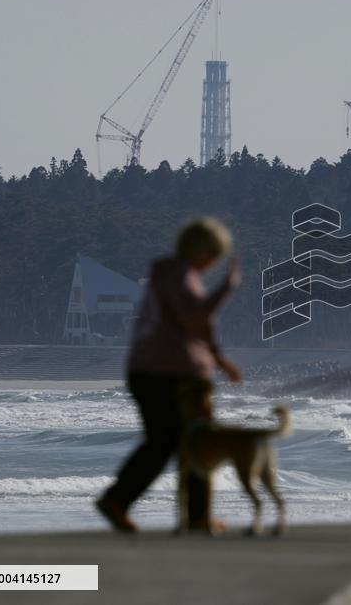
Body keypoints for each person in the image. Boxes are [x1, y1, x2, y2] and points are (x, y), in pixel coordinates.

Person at [96, 217, 243, 533]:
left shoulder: (172, 275)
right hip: (169, 375)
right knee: (187, 443)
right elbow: (195, 319)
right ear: (200, 250)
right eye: (213, 254)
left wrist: (220, 360)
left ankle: (129, 502)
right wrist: (226, 289)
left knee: (168, 443)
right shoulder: (179, 276)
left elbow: (196, 326)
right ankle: (192, 517)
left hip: (153, 372)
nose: (213, 262)